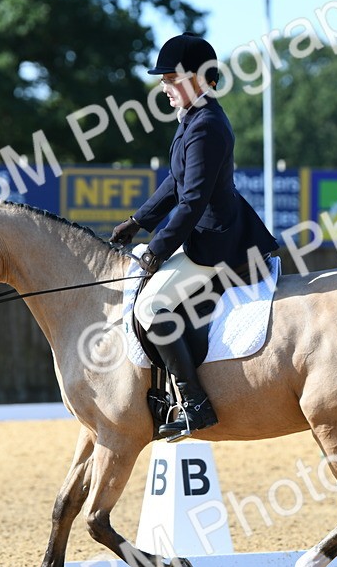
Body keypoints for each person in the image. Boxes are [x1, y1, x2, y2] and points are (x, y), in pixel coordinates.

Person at [111, 33, 279, 441]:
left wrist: (157, 248)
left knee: (151, 308)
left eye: (170, 78)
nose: (163, 87)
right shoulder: (194, 119)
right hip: (207, 231)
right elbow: (176, 181)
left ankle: (195, 405)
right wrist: (138, 220)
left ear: (198, 79)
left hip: (217, 242)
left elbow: (191, 201)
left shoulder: (206, 127)